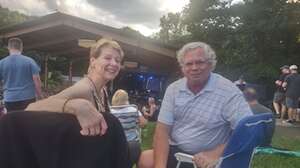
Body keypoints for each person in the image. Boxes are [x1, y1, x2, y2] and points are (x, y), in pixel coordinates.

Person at [139, 42, 253, 168]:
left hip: (208, 159)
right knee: (146, 159)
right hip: (176, 150)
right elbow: (162, 131)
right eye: (188, 64)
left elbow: (248, 130)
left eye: (200, 62)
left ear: (210, 65)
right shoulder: (173, 89)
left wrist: (216, 153)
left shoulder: (229, 91)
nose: (194, 68)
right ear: (182, 68)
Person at [26, 38, 130, 167]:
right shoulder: (84, 89)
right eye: (108, 58)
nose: (114, 63)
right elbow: (31, 107)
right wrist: (74, 106)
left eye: (118, 60)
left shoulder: (103, 90)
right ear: (93, 61)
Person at [0, 37, 43, 112]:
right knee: (27, 122)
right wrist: (40, 97)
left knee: (12, 122)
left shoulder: (2, 63)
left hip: (9, 99)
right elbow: (36, 80)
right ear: (21, 47)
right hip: (27, 98)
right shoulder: (30, 61)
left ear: (9, 48)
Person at [110, 89, 147, 167]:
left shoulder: (110, 111)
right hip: (132, 143)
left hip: (114, 144)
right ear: (126, 99)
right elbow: (144, 124)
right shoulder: (133, 109)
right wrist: (135, 124)